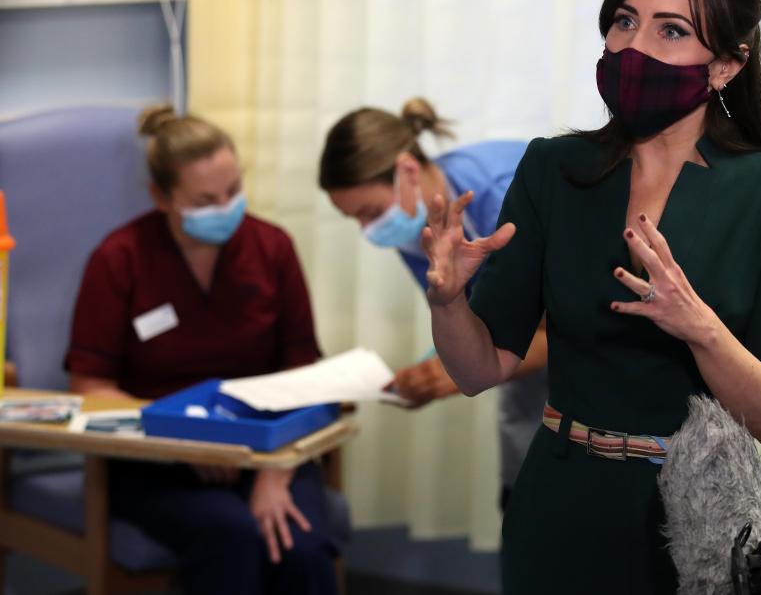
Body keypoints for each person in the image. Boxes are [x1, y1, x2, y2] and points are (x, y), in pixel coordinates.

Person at [421, 0, 761, 593]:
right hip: (557, 497)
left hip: (694, 515)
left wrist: (699, 326)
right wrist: (447, 304)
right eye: (624, 21)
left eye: (672, 31)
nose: (634, 47)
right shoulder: (554, 169)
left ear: (725, 66)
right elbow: (478, 369)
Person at [64, 105, 339, 595]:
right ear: (162, 197)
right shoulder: (118, 260)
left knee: (301, 546)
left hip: (268, 451)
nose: (225, 207)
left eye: (233, 192)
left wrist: (273, 474)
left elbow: (304, 377)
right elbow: (90, 386)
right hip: (155, 462)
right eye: (205, 200)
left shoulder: (273, 249)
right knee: (231, 537)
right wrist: (188, 437)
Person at [318, 98, 549, 508]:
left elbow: (561, 329)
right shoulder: (415, 225)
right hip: (529, 380)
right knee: (522, 502)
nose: (368, 230)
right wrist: (434, 366)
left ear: (407, 170)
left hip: (596, 361)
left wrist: (452, 375)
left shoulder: (504, 195)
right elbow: (468, 313)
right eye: (355, 218)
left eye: (369, 212)